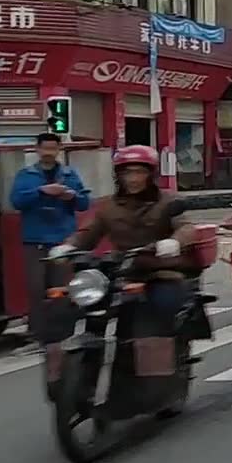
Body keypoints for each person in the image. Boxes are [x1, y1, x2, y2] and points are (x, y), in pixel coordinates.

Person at [55, 145, 201, 409]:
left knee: (159, 310)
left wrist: (173, 242)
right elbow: (88, 232)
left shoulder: (169, 202)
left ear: (150, 174)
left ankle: (160, 377)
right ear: (118, 176)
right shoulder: (108, 207)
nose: (133, 178)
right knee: (76, 306)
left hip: (160, 271)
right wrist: (68, 246)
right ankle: (76, 381)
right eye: (127, 172)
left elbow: (186, 228)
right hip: (120, 271)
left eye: (139, 172)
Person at [10, 132, 90, 350]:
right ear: (37, 149)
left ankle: (63, 334)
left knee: (61, 289)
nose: (48, 153)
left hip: (62, 239)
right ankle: (37, 335)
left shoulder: (69, 174)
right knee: (36, 288)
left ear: (59, 150)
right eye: (44, 148)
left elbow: (84, 203)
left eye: (53, 149)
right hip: (34, 239)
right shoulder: (26, 175)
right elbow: (16, 201)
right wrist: (41, 191)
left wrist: (71, 196)